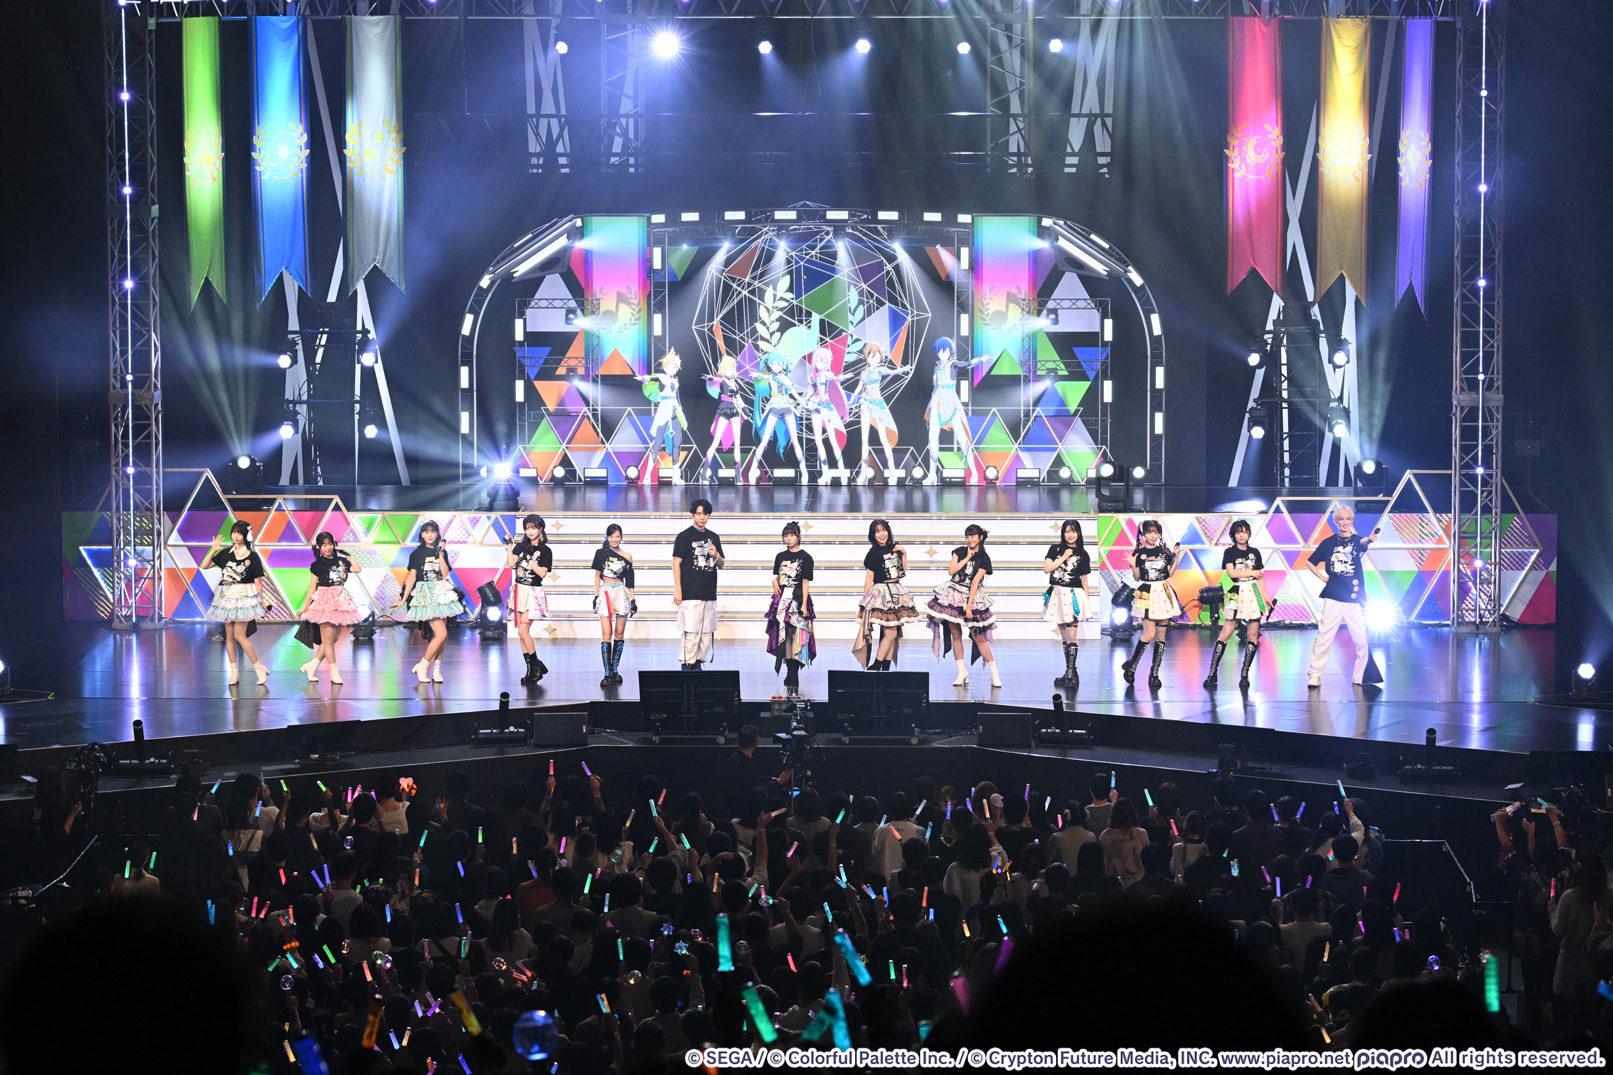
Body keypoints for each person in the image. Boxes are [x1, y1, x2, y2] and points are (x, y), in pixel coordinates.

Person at [1302, 504, 1380, 688]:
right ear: (1335, 521)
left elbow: (1363, 542)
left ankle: (1360, 677)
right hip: (1333, 595)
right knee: (1324, 636)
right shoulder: (1328, 543)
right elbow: (1310, 562)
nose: (1345, 522)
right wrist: (1322, 577)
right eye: (1342, 519)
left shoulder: (1356, 540)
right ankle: (1315, 674)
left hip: (1354, 597)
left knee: (1361, 638)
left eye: (1349, 519)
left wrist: (1369, 539)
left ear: (1352, 521)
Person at [927, 524, 999, 687]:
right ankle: (962, 672)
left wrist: (968, 606)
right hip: (952, 594)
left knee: (979, 637)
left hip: (970, 596)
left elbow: (975, 583)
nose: (969, 539)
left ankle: (994, 673)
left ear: (980, 537)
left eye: (972, 536)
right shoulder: (959, 552)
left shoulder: (984, 558)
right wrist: (966, 558)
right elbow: (951, 571)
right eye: (967, 536)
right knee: (955, 634)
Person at [1202, 520, 1268, 691]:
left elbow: (1260, 577)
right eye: (1238, 532)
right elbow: (1231, 573)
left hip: (1253, 593)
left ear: (1249, 534)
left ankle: (1244, 674)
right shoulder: (1229, 552)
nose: (1241, 535)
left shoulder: (1255, 552)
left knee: (1253, 636)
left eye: (1244, 532)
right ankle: (1212, 672)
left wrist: (1265, 598)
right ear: (1233, 535)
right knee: (1226, 633)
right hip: (1236, 592)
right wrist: (1252, 572)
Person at [399, 520, 464, 684]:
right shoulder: (416, 554)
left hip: (441, 591)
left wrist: (441, 553)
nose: (429, 535)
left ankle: (437, 670)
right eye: (426, 532)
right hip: (426, 593)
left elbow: (445, 573)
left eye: (433, 532)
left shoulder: (442, 552)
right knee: (442, 634)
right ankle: (422, 665)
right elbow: (412, 577)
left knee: (441, 636)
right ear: (422, 534)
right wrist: (403, 599)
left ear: (437, 534)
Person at [207, 521, 270, 687]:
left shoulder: (252, 556)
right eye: (234, 532)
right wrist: (213, 550)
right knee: (229, 636)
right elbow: (205, 565)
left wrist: (262, 601)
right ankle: (234, 672)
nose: (235, 536)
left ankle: (259, 668)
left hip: (243, 597)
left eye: (239, 533)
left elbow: (258, 582)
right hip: (227, 596)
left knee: (239, 636)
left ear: (246, 535)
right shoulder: (226, 553)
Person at [854, 519, 922, 671]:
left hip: (896, 591)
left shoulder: (895, 548)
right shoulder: (872, 554)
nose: (882, 534)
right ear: (873, 535)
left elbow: (902, 571)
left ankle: (885, 667)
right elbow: (869, 578)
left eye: (884, 530)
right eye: (878, 531)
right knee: (890, 633)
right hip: (881, 593)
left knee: (893, 632)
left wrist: (904, 553)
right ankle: (877, 664)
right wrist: (865, 601)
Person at [296, 530, 363, 685]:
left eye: (330, 544)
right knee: (328, 640)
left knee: (333, 639)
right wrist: (305, 607)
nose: (328, 547)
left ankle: (312, 665)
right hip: (325, 601)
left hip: (340, 599)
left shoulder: (341, 561)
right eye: (324, 545)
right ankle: (334, 672)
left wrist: (346, 554)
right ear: (319, 547)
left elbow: (357, 568)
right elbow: (312, 586)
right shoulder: (317, 564)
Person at [1120, 520, 1180, 690]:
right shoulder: (1139, 553)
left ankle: (1154, 673)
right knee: (1149, 633)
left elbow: (1169, 573)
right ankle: (1132, 666)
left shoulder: (1164, 552)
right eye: (1149, 532)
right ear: (1143, 534)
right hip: (1147, 592)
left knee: (1161, 635)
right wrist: (1133, 565)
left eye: (1155, 532)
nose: (1152, 535)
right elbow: (1137, 577)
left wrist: (1176, 556)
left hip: (1163, 592)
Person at [923, 337, 987, 484]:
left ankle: (974, 473)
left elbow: (967, 363)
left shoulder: (953, 364)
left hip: (951, 402)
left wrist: (980, 360)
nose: (944, 354)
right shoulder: (937, 367)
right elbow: (935, 386)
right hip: (937, 402)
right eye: (941, 351)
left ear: (950, 352)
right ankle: (932, 475)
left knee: (962, 437)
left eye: (946, 351)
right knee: (932, 438)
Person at [672, 500, 725, 670]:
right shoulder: (684, 536)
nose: (702, 517)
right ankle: (687, 667)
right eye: (699, 513)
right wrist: (678, 590)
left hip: (709, 593)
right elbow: (676, 563)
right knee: (691, 632)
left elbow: (722, 564)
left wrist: (716, 554)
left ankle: (699, 665)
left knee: (706, 633)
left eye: (705, 514)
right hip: (690, 592)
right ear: (692, 515)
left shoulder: (714, 537)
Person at [765, 521, 815, 695]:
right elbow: (777, 577)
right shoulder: (780, 556)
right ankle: (789, 671)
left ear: (798, 536)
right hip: (782, 600)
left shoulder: (806, 557)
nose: (788, 538)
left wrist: (804, 605)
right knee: (784, 636)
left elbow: (806, 583)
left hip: (798, 599)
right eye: (785, 536)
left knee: (797, 636)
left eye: (791, 535)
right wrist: (774, 582)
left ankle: (794, 672)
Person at [505, 514, 553, 687]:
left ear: (541, 528)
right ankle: (532, 669)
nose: (530, 531)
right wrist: (509, 546)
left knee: (523, 630)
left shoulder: (545, 550)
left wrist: (529, 560)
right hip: (519, 590)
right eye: (527, 528)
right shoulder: (521, 546)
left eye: (533, 528)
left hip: (532, 591)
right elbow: (511, 563)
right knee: (521, 633)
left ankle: (536, 666)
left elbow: (542, 573)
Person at [1043, 518, 1091, 689]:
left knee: (1071, 636)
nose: (1070, 535)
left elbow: (1084, 579)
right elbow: (1047, 569)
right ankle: (1070, 672)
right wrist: (1064, 556)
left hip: (1073, 596)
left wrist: (1086, 601)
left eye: (1073, 531)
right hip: (1056, 594)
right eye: (1067, 531)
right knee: (1064, 636)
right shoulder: (1054, 549)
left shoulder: (1083, 554)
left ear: (1078, 533)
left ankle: (1070, 675)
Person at [746, 353, 806, 482]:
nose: (776, 366)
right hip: (774, 406)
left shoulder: (786, 379)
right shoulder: (771, 377)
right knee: (764, 441)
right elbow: (763, 377)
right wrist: (757, 375)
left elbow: (793, 393)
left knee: (795, 441)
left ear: (783, 365)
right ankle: (752, 471)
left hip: (787, 406)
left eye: (778, 364)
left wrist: (802, 401)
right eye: (773, 364)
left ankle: (804, 472)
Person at [848, 343, 900, 484]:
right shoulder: (864, 372)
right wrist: (851, 401)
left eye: (877, 357)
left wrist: (903, 370)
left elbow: (892, 372)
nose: (875, 359)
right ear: (867, 357)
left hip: (876, 404)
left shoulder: (880, 369)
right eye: (872, 357)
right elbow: (859, 387)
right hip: (865, 403)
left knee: (883, 439)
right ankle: (863, 474)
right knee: (864, 439)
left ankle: (893, 474)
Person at [591, 524, 636, 687]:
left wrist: (633, 600)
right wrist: (596, 595)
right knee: (606, 633)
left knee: (619, 633)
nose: (614, 539)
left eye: (617, 536)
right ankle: (607, 672)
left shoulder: (627, 556)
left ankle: (615, 668)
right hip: (606, 593)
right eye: (611, 536)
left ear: (621, 537)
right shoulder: (600, 553)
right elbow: (597, 576)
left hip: (621, 593)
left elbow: (630, 580)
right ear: (607, 537)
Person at [636, 351, 688, 484]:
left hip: (675, 411)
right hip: (664, 411)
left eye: (673, 366)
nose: (671, 368)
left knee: (677, 444)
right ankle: (647, 475)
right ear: (664, 367)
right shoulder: (661, 377)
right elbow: (652, 378)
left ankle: (676, 476)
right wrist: (644, 378)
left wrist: (681, 413)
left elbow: (678, 399)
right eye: (668, 366)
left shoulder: (675, 380)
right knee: (657, 443)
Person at [722, 725, 792, 821]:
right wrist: (779, 782)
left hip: (731, 811)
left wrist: (769, 779)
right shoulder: (748, 767)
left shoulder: (733, 759)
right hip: (746, 817)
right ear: (755, 743)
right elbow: (757, 794)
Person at [701, 355, 744, 483]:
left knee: (737, 444)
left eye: (732, 368)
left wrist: (745, 409)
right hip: (724, 410)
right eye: (727, 369)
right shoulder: (723, 380)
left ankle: (738, 476)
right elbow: (717, 379)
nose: (730, 371)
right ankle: (704, 473)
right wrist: (710, 378)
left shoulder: (735, 384)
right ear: (722, 369)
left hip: (735, 412)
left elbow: (739, 399)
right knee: (715, 443)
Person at [806, 347, 847, 482]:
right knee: (818, 441)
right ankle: (825, 474)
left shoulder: (827, 374)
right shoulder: (812, 376)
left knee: (833, 440)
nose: (820, 364)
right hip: (815, 406)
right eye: (818, 361)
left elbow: (834, 378)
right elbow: (811, 391)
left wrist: (842, 377)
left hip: (826, 406)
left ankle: (843, 473)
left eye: (823, 362)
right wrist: (803, 401)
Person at [1099, 798, 1149, 887]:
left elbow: (1103, 864)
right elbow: (1148, 860)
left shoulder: (1105, 837)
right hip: (1139, 883)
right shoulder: (1141, 834)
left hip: (1112, 884)